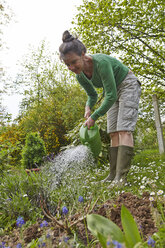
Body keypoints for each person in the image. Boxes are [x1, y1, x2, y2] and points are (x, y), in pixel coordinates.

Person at [59, 30, 141, 184]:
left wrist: (94, 117)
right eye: (67, 64)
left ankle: (121, 178)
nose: (71, 67)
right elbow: (92, 95)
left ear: (83, 54)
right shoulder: (80, 75)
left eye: (73, 62)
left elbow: (110, 95)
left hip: (127, 84)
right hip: (112, 90)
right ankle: (112, 176)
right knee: (113, 133)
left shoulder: (101, 63)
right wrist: (88, 108)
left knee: (123, 129)